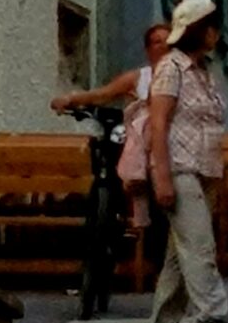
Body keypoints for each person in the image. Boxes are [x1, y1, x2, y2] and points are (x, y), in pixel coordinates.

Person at [141, 0, 228, 323]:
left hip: (204, 171)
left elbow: (211, 127)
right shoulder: (171, 69)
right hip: (180, 169)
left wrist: (224, 174)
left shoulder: (202, 72)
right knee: (200, 248)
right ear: (200, 32)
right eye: (212, 27)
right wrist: (163, 177)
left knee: (179, 257)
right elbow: (158, 123)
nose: (216, 34)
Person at [53, 21, 170, 236]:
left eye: (167, 42)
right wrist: (70, 99)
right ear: (148, 49)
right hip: (140, 140)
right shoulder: (138, 77)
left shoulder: (183, 78)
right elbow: (102, 94)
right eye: (156, 42)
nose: (162, 47)